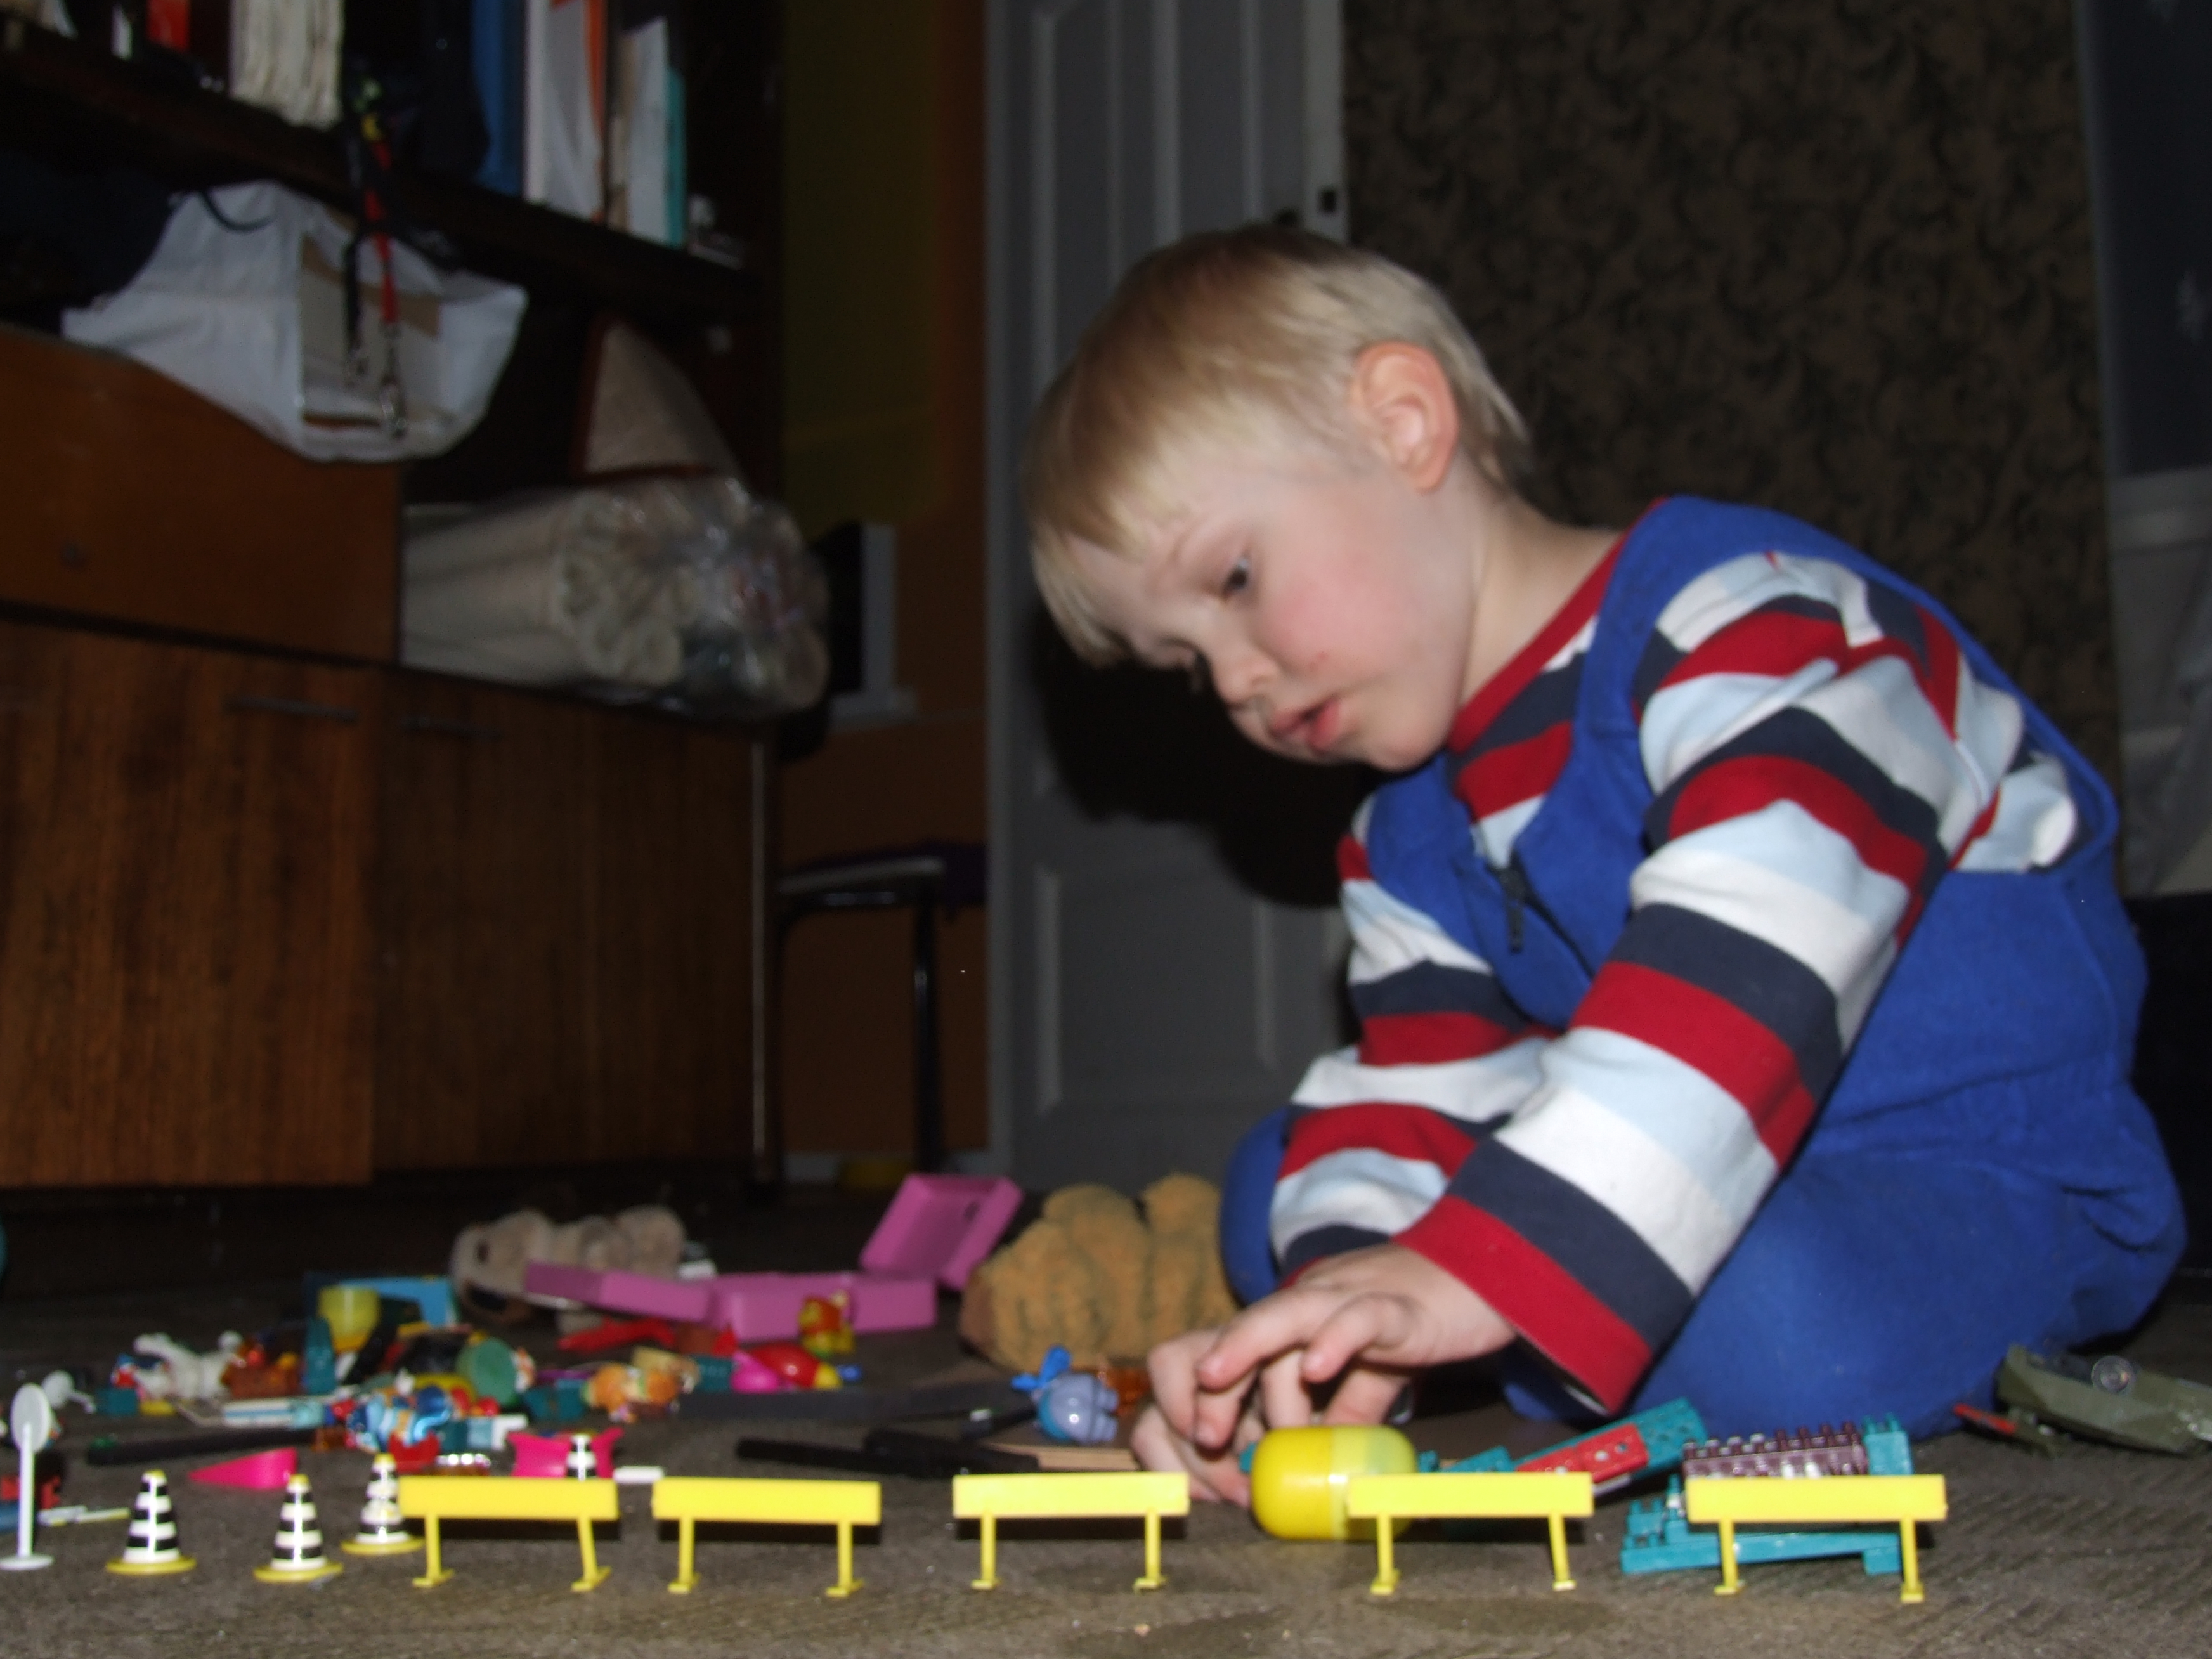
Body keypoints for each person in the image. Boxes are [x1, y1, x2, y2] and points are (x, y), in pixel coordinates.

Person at [1020, 226, 2185, 1506]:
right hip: (1667, 1163)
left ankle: (1547, 1299)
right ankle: (1535, 1299)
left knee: (1775, 1336)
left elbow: (1758, 942)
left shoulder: (1755, 623)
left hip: (1966, 1163)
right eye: (1187, 665)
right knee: (1277, 1195)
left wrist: (1476, 1264)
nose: (1236, 679)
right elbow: (1425, 1084)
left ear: (1403, 424)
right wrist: (1335, 1327)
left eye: (1236, 579)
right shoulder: (1403, 835)